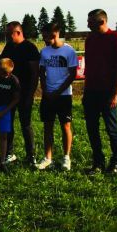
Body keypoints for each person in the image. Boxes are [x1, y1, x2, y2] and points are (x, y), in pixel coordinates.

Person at [0, 21, 40, 166]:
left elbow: (35, 74)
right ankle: (9, 153)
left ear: (18, 32)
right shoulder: (9, 46)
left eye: (9, 34)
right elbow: (2, 63)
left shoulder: (30, 48)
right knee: (8, 124)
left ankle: (31, 155)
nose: (7, 36)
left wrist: (30, 94)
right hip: (8, 93)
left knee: (26, 124)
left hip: (25, 92)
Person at [83, 9, 117, 174]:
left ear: (101, 22)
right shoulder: (90, 39)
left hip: (108, 92)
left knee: (111, 128)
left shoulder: (116, 39)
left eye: (90, 22)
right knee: (92, 128)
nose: (87, 24)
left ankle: (115, 162)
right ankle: (98, 162)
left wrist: (115, 93)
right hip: (91, 92)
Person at [36, 23, 78, 171]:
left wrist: (58, 91)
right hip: (48, 95)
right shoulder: (44, 52)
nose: (44, 38)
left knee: (65, 125)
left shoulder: (69, 51)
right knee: (48, 125)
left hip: (64, 95)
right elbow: (41, 71)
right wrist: (45, 89)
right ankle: (48, 157)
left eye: (45, 35)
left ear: (54, 34)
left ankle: (66, 157)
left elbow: (72, 74)